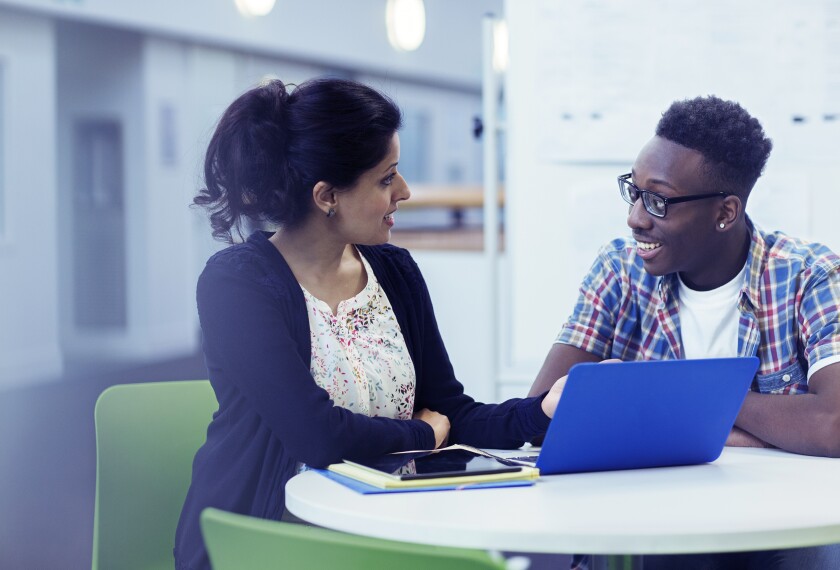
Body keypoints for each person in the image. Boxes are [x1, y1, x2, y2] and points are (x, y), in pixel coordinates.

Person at [174, 77, 564, 570]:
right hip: (274, 542)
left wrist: (542, 411)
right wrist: (422, 436)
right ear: (327, 196)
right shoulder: (238, 285)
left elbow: (450, 414)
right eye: (386, 178)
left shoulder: (395, 272)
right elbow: (317, 437)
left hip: (389, 531)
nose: (404, 191)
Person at [528, 95, 840, 569]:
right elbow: (542, 414)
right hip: (654, 512)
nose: (635, 217)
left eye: (659, 200)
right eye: (632, 192)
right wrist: (754, 427)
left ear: (725, 212)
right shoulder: (619, 270)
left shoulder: (809, 275)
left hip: (778, 517)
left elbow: (833, 424)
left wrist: (679, 404)